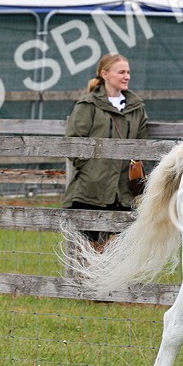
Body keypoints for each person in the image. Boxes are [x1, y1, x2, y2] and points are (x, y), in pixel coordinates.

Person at [62, 53, 149, 247]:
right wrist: (94, 169)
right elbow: (74, 144)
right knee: (88, 251)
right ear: (105, 74)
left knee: (121, 249)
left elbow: (143, 146)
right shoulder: (88, 105)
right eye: (121, 72)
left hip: (125, 191)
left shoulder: (137, 108)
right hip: (92, 190)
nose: (126, 76)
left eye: (128, 72)